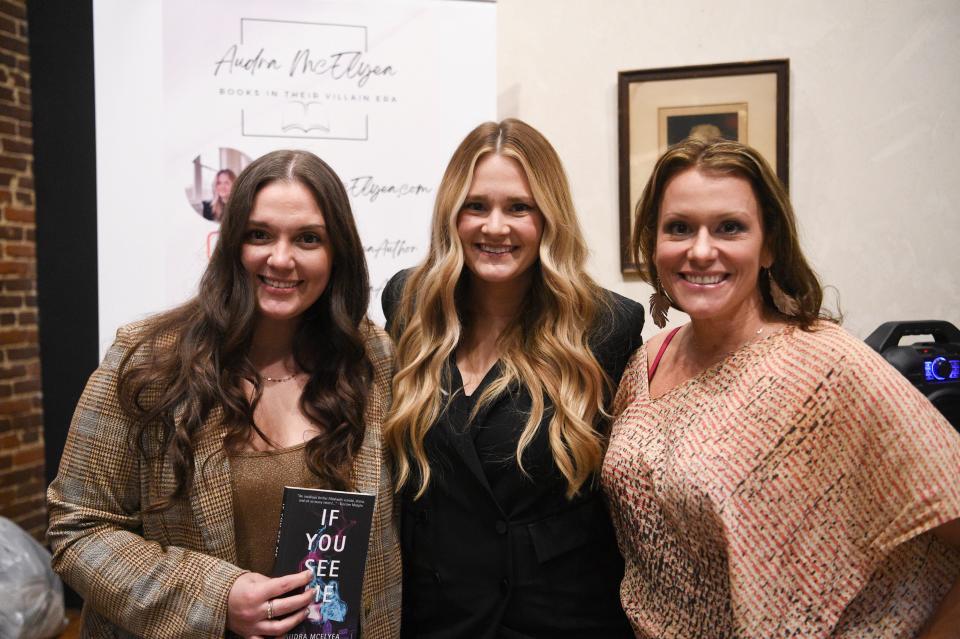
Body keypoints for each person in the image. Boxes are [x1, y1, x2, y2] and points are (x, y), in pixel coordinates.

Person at [603, 137, 960, 637]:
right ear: (653, 243)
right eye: (679, 228)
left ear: (769, 244)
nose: (701, 250)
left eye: (730, 227)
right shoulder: (647, 360)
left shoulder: (827, 365)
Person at [47, 150, 401, 639]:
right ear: (231, 242)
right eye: (259, 235)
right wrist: (216, 599)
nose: (281, 258)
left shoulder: (374, 360)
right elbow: (78, 526)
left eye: (308, 239)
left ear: (337, 252)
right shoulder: (148, 361)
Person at [381, 118, 644, 638]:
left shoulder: (604, 326)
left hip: (556, 618)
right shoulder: (409, 303)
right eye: (476, 206)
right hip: (434, 615)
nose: (494, 227)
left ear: (548, 217)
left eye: (518, 208)